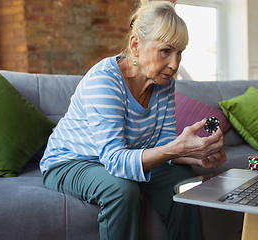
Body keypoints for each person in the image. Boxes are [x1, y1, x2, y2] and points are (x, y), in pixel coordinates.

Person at [40, 0, 226, 239]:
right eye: (166, 51)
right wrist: (176, 149)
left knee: (181, 180)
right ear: (136, 45)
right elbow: (116, 160)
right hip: (70, 161)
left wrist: (199, 156)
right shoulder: (104, 81)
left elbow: (164, 143)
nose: (174, 64)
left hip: (118, 156)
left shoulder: (163, 82)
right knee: (121, 190)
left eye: (180, 53)